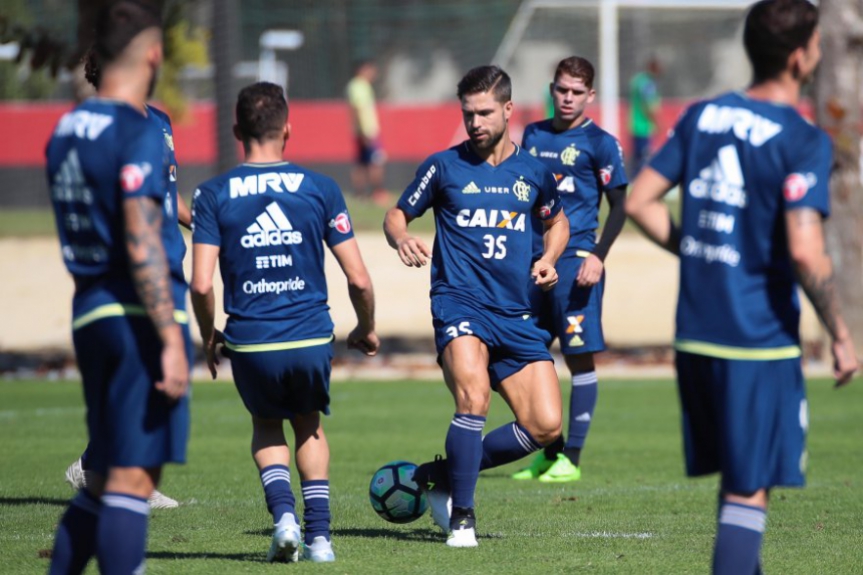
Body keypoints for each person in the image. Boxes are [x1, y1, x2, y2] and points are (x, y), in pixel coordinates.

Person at [625, 1, 858, 573]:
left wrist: (704, 252)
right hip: (756, 340)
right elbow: (805, 250)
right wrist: (842, 334)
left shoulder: (703, 116)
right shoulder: (802, 138)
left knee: (736, 485)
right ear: (802, 56)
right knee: (748, 492)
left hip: (696, 337)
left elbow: (638, 201)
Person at [190, 81, 379, 564]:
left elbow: (202, 286)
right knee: (309, 427)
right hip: (310, 333)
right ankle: (320, 540)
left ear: (237, 130)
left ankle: (285, 521)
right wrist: (366, 326)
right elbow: (358, 277)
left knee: (266, 425)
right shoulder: (320, 188)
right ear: (288, 128)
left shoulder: (212, 194)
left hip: (251, 339)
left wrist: (209, 333)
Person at [384, 65, 569, 548]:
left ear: (508, 109)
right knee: (473, 400)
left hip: (515, 314)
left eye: (484, 112)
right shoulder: (443, 166)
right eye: (468, 113)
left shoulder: (533, 172)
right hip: (459, 304)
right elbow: (397, 213)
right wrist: (401, 236)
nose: (475, 122)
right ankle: (462, 517)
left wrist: (549, 259)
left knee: (547, 426)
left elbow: (557, 223)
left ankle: (438, 474)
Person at [45, 2, 191, 573]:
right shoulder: (137, 127)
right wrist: (171, 337)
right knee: (133, 481)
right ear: (152, 53)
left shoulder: (66, 129)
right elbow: (137, 234)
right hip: (137, 313)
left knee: (104, 482)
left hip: (91, 309)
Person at [513, 56, 628, 483]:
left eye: (576, 92)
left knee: (578, 357)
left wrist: (598, 255)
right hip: (535, 264)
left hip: (578, 262)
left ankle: (572, 459)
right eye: (561, 89)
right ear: (552, 88)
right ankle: (549, 452)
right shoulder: (533, 134)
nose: (567, 98)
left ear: (590, 95)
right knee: (529, 358)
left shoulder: (601, 143)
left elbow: (620, 206)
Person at [346, 59, 388, 205]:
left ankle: (360, 193)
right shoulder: (359, 86)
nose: (373, 73)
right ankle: (377, 192)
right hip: (367, 131)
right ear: (363, 69)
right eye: (370, 70)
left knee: (362, 163)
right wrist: (363, 131)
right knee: (375, 161)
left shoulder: (358, 86)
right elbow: (357, 109)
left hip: (363, 130)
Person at [628, 56, 661, 177]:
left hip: (634, 124)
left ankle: (633, 179)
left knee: (637, 156)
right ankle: (640, 181)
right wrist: (657, 122)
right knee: (644, 156)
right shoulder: (648, 83)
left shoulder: (638, 80)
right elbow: (648, 105)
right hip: (644, 125)